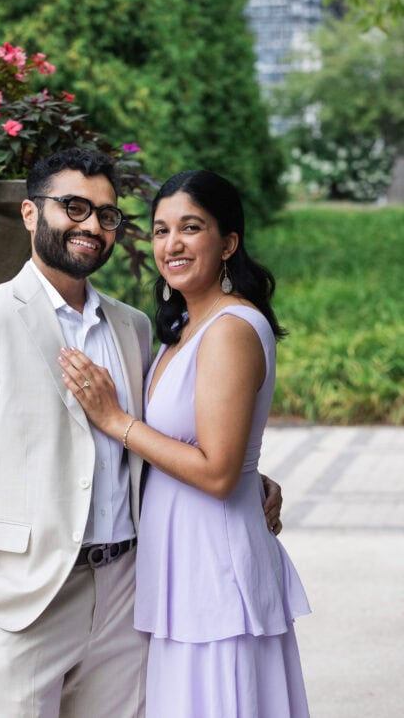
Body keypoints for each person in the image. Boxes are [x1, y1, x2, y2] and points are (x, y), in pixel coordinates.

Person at [0, 149, 283, 718]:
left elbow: (162, 439)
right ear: (31, 214)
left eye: (107, 215)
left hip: (128, 597)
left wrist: (250, 480)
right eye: (75, 207)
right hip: (24, 603)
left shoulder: (133, 328)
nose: (92, 226)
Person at [60, 168, 310, 718]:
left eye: (191, 227)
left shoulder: (230, 329)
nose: (171, 244)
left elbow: (217, 473)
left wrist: (115, 419)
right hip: (179, 564)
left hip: (214, 569)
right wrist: (255, 477)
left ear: (229, 243)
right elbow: (212, 449)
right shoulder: (181, 330)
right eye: (159, 230)